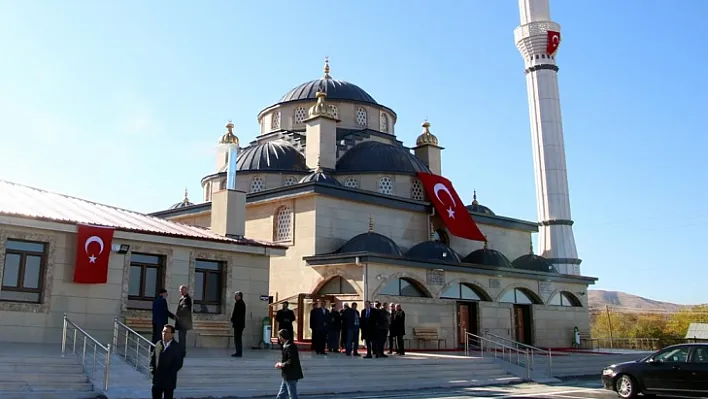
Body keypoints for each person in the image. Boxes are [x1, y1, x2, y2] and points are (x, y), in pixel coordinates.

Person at [149, 324, 185, 399]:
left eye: (166, 332)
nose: (164, 334)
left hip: (169, 381)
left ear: (172, 334)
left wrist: (168, 372)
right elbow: (153, 359)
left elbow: (178, 364)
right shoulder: (158, 344)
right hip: (157, 380)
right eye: (163, 332)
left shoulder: (177, 347)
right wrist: (152, 370)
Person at [274, 329, 303, 399]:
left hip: (291, 374)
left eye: (279, 337)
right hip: (287, 374)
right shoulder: (287, 345)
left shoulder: (290, 346)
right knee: (281, 395)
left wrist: (281, 364)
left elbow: (291, 361)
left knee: (292, 395)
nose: (278, 338)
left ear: (282, 337)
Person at [175, 285, 193, 354]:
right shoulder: (182, 298)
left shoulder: (187, 299)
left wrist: (178, 315)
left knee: (182, 337)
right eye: (180, 290)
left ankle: (182, 352)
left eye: (181, 290)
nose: (180, 291)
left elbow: (185, 309)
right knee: (180, 337)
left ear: (185, 290)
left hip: (184, 322)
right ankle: (181, 350)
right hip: (181, 322)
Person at [230, 291, 246, 357]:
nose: (235, 297)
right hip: (239, 324)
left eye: (236, 296)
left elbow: (237, 314)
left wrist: (233, 319)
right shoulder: (239, 303)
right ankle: (238, 352)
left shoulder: (240, 303)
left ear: (239, 296)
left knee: (238, 339)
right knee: (237, 338)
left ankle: (238, 352)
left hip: (238, 324)